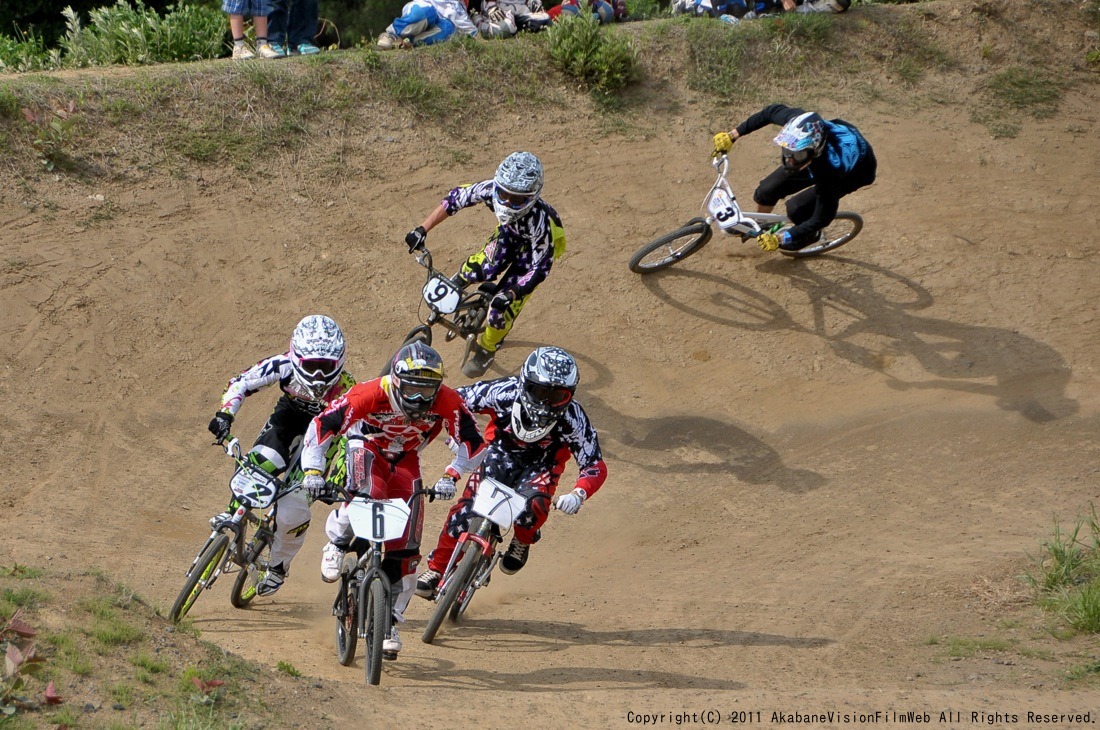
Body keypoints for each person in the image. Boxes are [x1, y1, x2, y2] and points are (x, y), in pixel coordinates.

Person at [300, 341, 485, 658]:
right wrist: (313, 471)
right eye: (411, 389)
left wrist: (451, 476)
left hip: (407, 457)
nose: (418, 399)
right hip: (367, 445)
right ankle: (338, 541)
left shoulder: (447, 400)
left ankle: (389, 623)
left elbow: (474, 442)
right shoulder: (370, 393)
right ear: (396, 380)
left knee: (408, 547)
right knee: (369, 491)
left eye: (426, 392)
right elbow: (322, 425)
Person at [416, 346, 607, 599]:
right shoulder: (504, 392)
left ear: (569, 395)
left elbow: (594, 463)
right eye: (539, 392)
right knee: (465, 511)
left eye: (557, 396)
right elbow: (457, 400)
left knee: (535, 505)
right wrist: (456, 436)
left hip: (542, 466)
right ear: (525, 384)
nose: (546, 402)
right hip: (499, 453)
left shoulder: (573, 419)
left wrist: (579, 494)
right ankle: (437, 569)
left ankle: (522, 539)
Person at [206, 315, 353, 596]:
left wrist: (335, 477)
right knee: (260, 461)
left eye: (326, 367)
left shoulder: (347, 389)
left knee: (293, 510)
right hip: (289, 418)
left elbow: (351, 436)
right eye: (312, 366)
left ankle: (278, 568)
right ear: (296, 357)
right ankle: (231, 512)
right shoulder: (283, 365)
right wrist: (225, 414)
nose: (320, 375)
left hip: (325, 436)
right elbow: (241, 383)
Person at [403, 151, 566, 378]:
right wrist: (421, 229)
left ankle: (487, 349)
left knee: (501, 309)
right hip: (510, 234)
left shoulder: (540, 223)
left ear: (532, 197)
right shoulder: (490, 188)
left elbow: (539, 269)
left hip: (534, 255)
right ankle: (458, 283)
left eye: (517, 199)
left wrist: (513, 293)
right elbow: (456, 198)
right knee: (481, 267)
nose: (507, 202)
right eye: (503, 194)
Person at [712, 103, 876, 252]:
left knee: (797, 209)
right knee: (766, 191)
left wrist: (781, 238)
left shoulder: (829, 171)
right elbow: (770, 112)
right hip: (817, 156)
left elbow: (822, 217)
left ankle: (812, 236)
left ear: (814, 151)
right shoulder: (799, 124)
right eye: (787, 150)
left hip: (856, 173)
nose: (789, 159)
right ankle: (760, 226)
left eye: (797, 155)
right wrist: (733, 135)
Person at [376, 0, 479, 49]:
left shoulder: (462, 11)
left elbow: (473, 33)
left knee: (450, 29)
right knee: (428, 13)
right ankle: (390, 35)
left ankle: (408, 44)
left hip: (437, 26)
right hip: (422, 10)